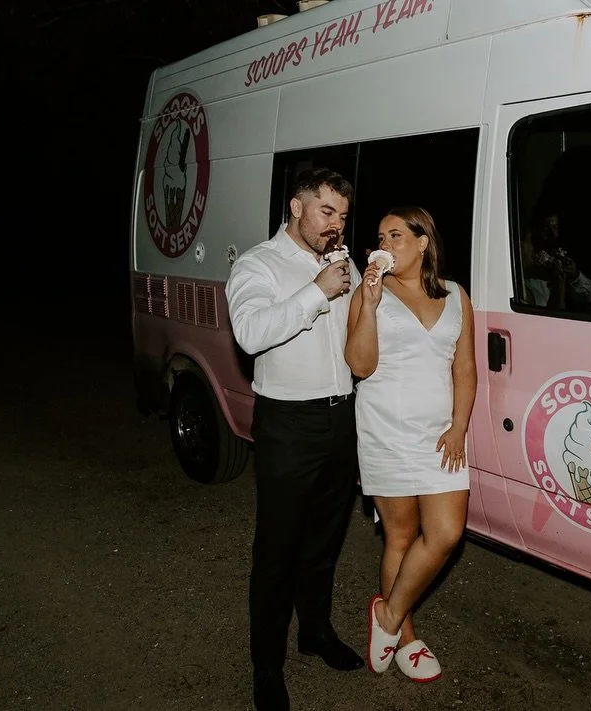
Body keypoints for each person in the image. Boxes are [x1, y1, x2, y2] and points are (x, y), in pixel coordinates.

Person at [225, 167, 364, 711]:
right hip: (288, 423)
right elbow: (250, 333)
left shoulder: (342, 260)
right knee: (277, 550)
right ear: (297, 207)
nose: (336, 225)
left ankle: (316, 632)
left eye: (343, 216)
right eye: (327, 212)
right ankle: (267, 668)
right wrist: (316, 291)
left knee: (324, 540)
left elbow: (358, 328)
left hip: (341, 417)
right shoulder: (258, 264)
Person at [345, 206, 476, 682]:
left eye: (396, 235)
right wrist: (369, 302)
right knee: (400, 536)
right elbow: (359, 365)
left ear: (423, 243)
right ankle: (406, 637)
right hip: (386, 432)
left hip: (440, 435)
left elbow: (465, 369)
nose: (385, 243)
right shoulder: (370, 292)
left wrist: (459, 427)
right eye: (381, 236)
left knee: (445, 533)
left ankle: (387, 613)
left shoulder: (456, 295)